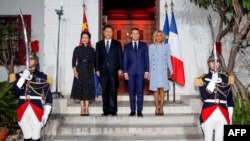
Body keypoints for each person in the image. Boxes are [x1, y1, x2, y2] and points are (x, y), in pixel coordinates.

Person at [12, 52, 52, 141]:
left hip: (36, 107)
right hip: (22, 107)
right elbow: (15, 92)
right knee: (26, 135)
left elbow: (48, 96)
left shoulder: (43, 77)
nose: (29, 61)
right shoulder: (19, 75)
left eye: (32, 59)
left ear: (36, 61)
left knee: (36, 135)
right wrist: (23, 78)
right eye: (27, 60)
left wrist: (46, 113)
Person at [194, 55, 234, 141]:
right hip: (208, 111)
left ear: (220, 64)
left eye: (217, 61)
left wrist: (230, 115)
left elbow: (230, 99)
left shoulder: (226, 78)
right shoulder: (203, 79)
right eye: (212, 61)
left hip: (222, 112)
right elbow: (204, 95)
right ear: (208, 64)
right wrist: (212, 81)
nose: (215, 63)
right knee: (208, 138)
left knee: (220, 138)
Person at [95, 25, 123, 116]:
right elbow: (97, 57)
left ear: (113, 33)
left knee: (113, 91)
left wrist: (120, 68)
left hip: (114, 71)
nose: (108, 33)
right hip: (102, 71)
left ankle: (113, 110)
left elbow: (120, 57)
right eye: (107, 31)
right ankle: (106, 110)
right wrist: (97, 69)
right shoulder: (99, 44)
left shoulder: (117, 43)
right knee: (104, 91)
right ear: (103, 32)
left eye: (110, 31)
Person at [123, 28, 149, 117]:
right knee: (131, 92)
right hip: (130, 72)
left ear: (139, 35)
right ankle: (133, 110)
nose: (135, 35)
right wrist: (125, 72)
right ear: (131, 35)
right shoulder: (127, 46)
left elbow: (147, 59)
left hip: (141, 72)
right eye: (133, 33)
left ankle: (139, 110)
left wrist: (147, 71)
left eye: (137, 33)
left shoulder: (144, 45)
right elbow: (125, 59)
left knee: (140, 92)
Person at [71, 31, 95, 116]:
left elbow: (94, 62)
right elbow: (73, 61)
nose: (85, 39)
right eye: (83, 37)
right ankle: (82, 108)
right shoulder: (77, 48)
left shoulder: (92, 49)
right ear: (81, 39)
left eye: (86, 37)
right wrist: (75, 71)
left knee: (87, 89)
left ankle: (87, 108)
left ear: (89, 39)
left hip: (89, 70)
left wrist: (94, 70)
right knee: (81, 88)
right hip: (80, 69)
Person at [148, 30, 173, 116]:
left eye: (160, 35)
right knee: (155, 89)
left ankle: (161, 108)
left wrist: (171, 70)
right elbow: (149, 60)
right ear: (154, 37)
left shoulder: (167, 46)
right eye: (157, 35)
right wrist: (149, 72)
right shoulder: (151, 47)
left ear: (163, 37)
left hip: (163, 70)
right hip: (154, 70)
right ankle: (156, 107)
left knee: (162, 89)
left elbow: (169, 59)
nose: (159, 37)